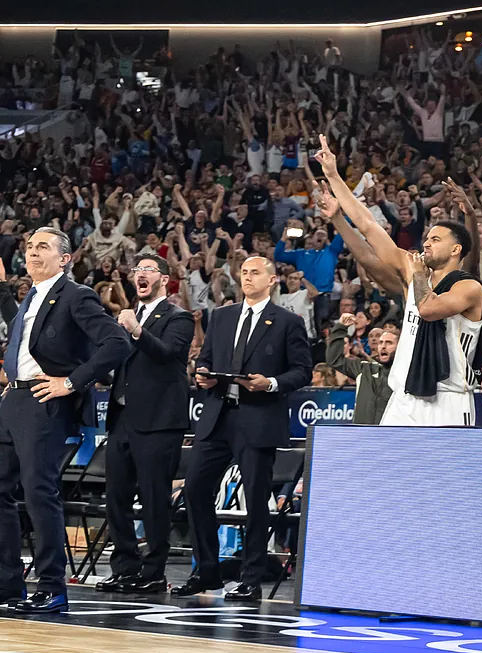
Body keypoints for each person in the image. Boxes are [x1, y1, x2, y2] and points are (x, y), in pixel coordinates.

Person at [0, 229, 131, 613]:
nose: (33, 252)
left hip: (45, 403)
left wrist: (70, 382)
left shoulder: (76, 295)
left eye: (43, 246)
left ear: (65, 259)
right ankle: (8, 584)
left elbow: (117, 343)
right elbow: (28, 341)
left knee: (40, 493)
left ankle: (52, 587)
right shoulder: (32, 296)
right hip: (14, 399)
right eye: (29, 246)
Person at [316, 136, 482, 426]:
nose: (426, 243)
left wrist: (417, 273)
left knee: (444, 474)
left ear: (456, 249)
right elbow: (369, 225)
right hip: (403, 398)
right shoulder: (413, 271)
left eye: (436, 239)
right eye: (426, 237)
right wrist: (333, 175)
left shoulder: (467, 286)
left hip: (448, 399)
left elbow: (429, 309)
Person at [173, 256, 311, 602]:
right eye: (244, 273)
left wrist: (271, 383)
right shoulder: (223, 316)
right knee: (196, 489)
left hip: (258, 418)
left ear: (272, 279)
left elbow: (302, 372)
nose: (247, 278)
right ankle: (207, 572)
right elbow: (206, 356)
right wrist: (202, 373)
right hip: (219, 415)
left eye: (255, 273)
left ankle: (251, 577)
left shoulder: (287, 321)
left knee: (256, 500)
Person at [97, 255, 194, 595]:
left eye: (148, 270)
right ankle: (125, 567)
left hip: (158, 422)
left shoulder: (179, 317)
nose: (140, 275)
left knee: (154, 500)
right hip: (122, 418)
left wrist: (136, 330)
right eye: (137, 270)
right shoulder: (127, 318)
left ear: (164, 280)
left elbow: (166, 353)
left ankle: (153, 571)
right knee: (116, 498)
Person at [327, 313, 397, 425]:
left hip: (392, 434)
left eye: (389, 343)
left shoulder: (405, 374)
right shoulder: (363, 368)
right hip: (361, 433)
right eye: (381, 343)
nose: (383, 346)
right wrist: (340, 328)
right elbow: (334, 360)